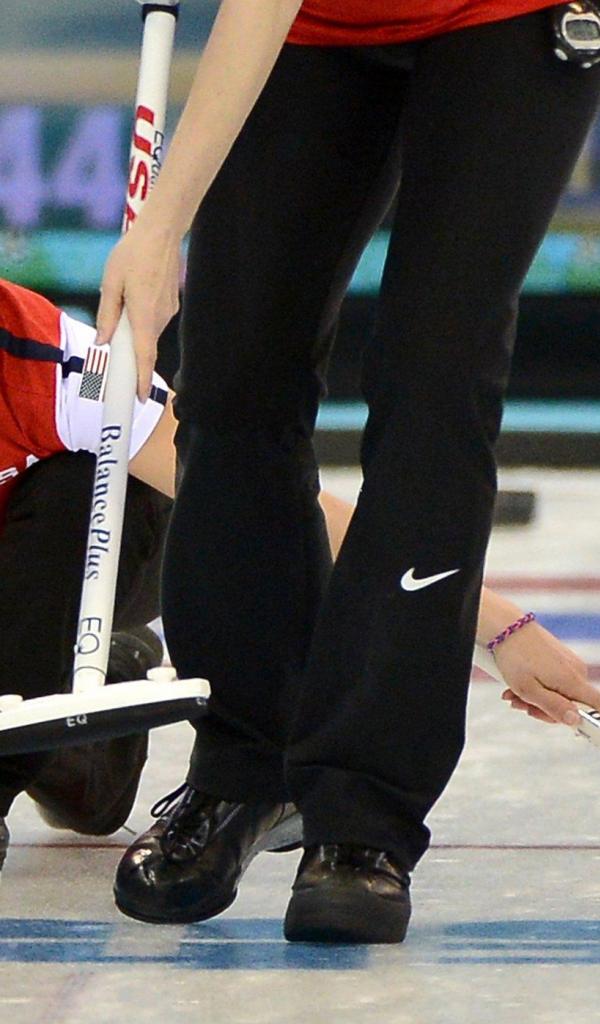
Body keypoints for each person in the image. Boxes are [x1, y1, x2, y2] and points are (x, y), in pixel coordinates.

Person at [96, 1, 600, 943]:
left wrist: (162, 225)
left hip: (504, 19)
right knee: (234, 378)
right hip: (315, 29)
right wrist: (165, 230)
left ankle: (365, 817)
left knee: (434, 380)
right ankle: (244, 765)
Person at [0, 277, 175, 873]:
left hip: (75, 551)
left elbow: (249, 493)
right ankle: (83, 745)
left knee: (86, 469)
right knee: (88, 794)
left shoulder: (59, 363)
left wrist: (413, 581)